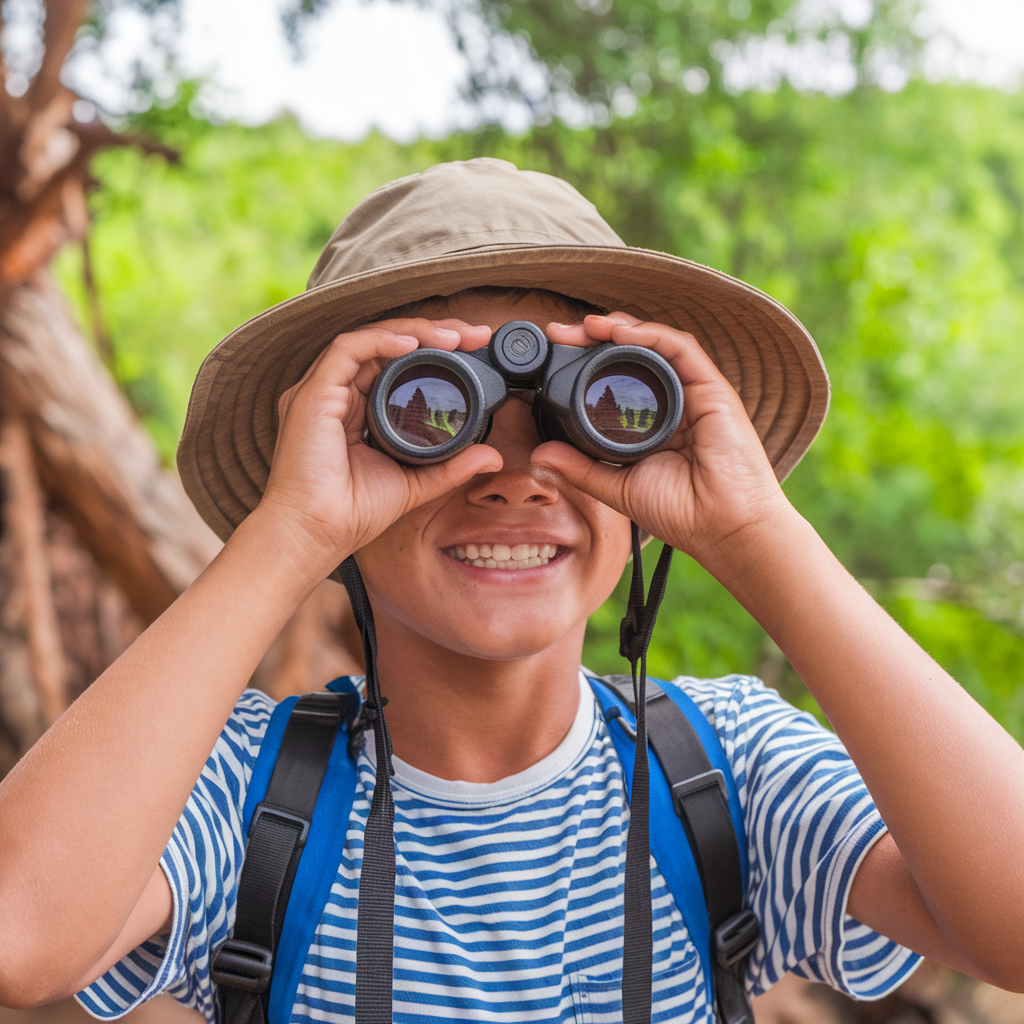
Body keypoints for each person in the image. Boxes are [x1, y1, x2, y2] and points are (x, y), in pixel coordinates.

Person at [0, 158, 1022, 1024]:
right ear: (338, 454)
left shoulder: (727, 772)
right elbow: (18, 932)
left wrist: (754, 533)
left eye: (594, 411)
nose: (512, 471)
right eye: (436, 412)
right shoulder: (248, 791)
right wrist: (291, 528)